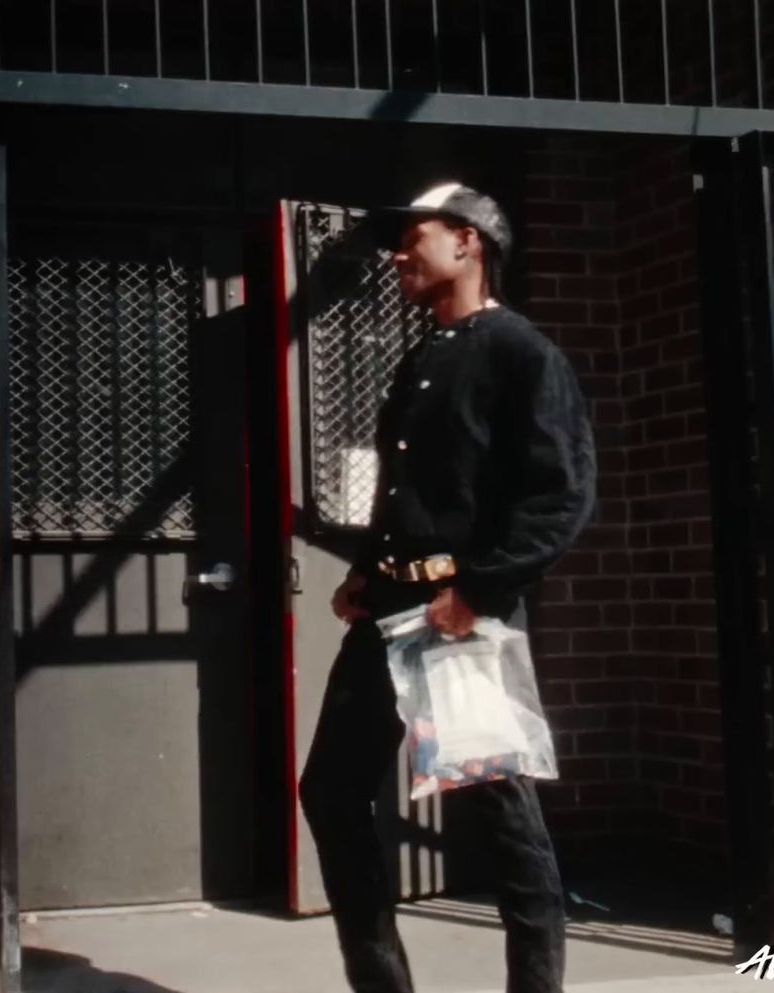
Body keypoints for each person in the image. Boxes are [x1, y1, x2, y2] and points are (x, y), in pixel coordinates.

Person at [298, 184, 596, 993]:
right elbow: (412, 487)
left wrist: (482, 590)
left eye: (414, 238)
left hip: (461, 620)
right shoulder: (426, 355)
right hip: (391, 611)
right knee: (329, 789)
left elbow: (561, 495)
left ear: (468, 242)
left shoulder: (521, 352)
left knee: (501, 818)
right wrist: (366, 567)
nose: (399, 253)